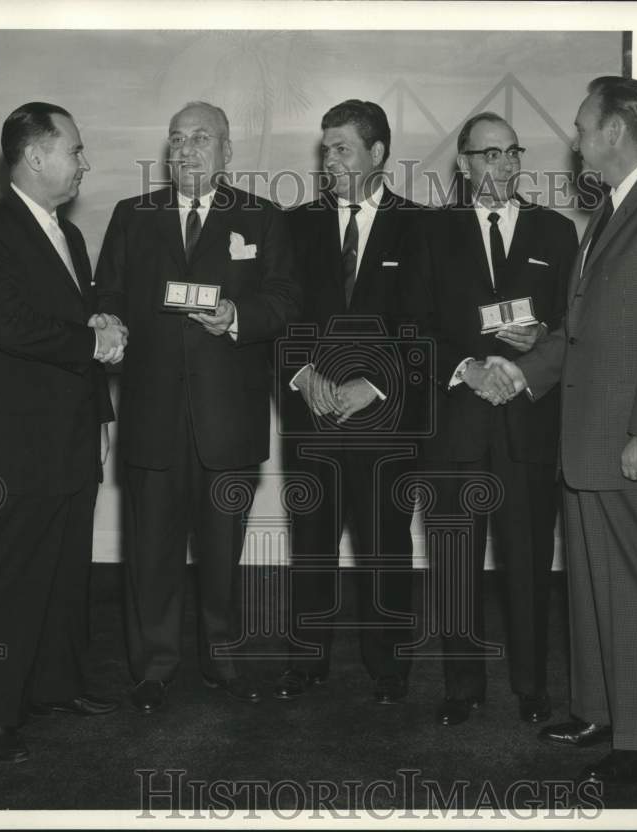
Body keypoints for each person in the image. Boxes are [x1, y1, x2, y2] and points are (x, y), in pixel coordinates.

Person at [512, 76, 637, 785]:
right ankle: (599, 712)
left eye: (581, 127)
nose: (574, 142)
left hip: (632, 441)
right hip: (589, 440)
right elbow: (581, 330)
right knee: (594, 586)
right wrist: (521, 372)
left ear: (614, 131)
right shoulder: (608, 212)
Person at [95, 101, 301, 712]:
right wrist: (106, 319)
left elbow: (286, 300)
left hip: (227, 420)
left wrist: (237, 316)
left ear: (227, 152)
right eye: (177, 139)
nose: (186, 150)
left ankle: (223, 661)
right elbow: (108, 292)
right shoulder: (132, 216)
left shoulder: (262, 217)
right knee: (150, 553)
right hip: (152, 415)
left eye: (201, 138)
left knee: (222, 553)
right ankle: (153, 668)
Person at [0, 102, 125, 763]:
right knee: (11, 583)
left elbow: (76, 321)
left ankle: (56, 687)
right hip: (17, 448)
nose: (85, 163)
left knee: (64, 576)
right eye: (75, 150)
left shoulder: (68, 235)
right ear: (35, 156)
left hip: (72, 440)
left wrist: (101, 412)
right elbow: (12, 327)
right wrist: (93, 339)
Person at [403, 112, 578, 727]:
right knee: (454, 563)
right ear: (463, 163)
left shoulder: (556, 232)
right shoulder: (429, 232)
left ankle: (531, 685)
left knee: (528, 562)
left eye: (512, 152)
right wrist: (467, 369)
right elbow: (412, 330)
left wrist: (538, 340)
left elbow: (573, 325)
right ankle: (462, 686)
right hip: (456, 423)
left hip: (527, 422)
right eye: (488, 155)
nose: (503, 165)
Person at [275, 100, 425, 705]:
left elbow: (424, 325)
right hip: (311, 416)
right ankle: (306, 661)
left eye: (342, 148)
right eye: (326, 148)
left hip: (386, 421)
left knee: (386, 546)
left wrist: (376, 384)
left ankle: (389, 667)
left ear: (378, 153)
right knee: (310, 543)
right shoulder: (294, 225)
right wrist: (301, 372)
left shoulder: (420, 227)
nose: (329, 159)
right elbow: (279, 312)